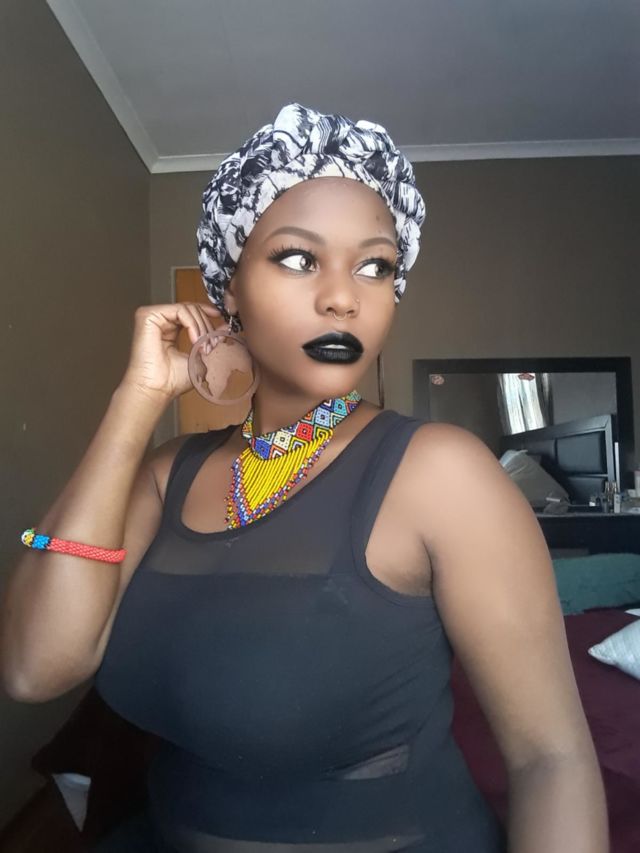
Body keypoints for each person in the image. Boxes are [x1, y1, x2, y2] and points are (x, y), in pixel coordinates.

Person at [1, 103, 608, 852]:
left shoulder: (442, 474)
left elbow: (552, 759)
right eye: (297, 258)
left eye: (375, 266)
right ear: (228, 290)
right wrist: (136, 402)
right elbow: (34, 667)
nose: (343, 297)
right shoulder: (166, 473)